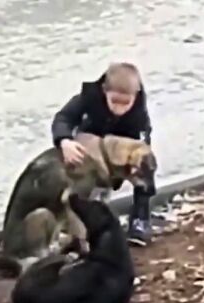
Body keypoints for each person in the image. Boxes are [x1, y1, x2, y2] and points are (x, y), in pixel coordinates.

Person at [51, 62, 156, 246]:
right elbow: (63, 118)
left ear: (136, 95)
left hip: (120, 151)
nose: (119, 108)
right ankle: (76, 225)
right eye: (114, 101)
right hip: (89, 147)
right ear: (104, 90)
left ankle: (140, 219)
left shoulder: (139, 113)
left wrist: (135, 164)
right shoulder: (88, 97)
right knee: (85, 187)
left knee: (145, 169)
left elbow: (143, 142)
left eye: (126, 103)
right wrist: (64, 140)